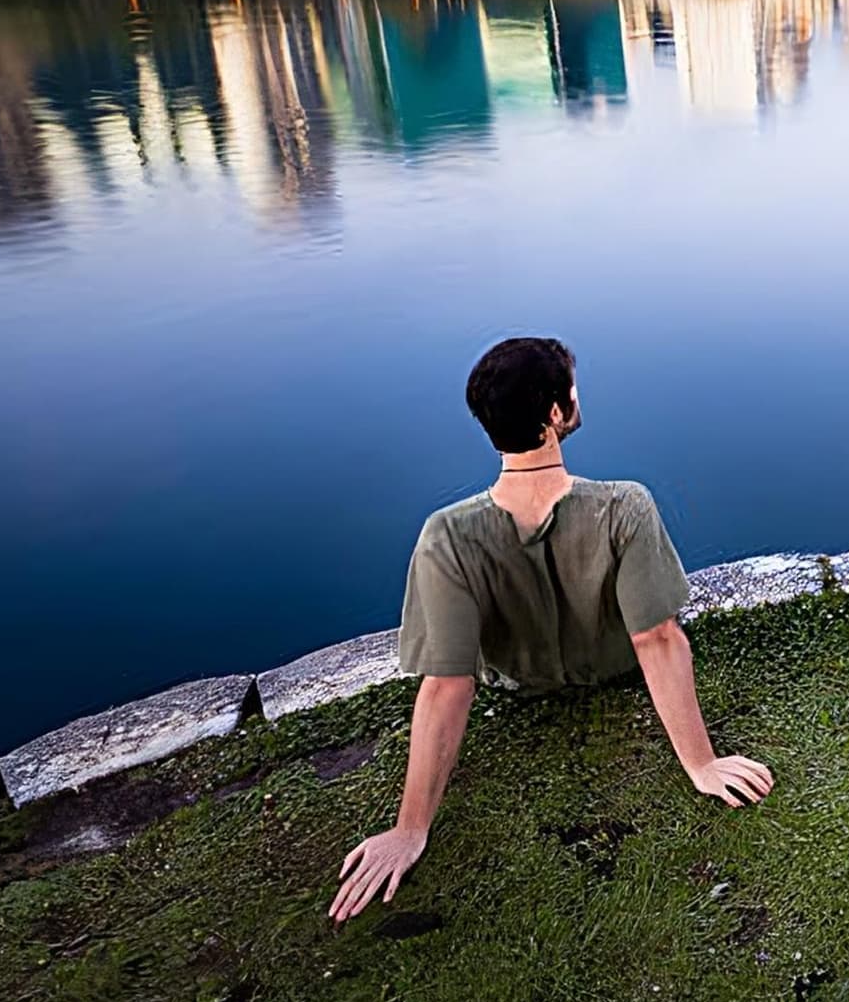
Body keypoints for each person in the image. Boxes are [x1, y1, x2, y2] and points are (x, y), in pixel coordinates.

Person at [330, 336, 773, 922]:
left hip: (514, 683)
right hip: (615, 668)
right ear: (556, 415)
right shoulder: (625, 506)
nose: (575, 395)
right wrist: (701, 764)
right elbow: (657, 638)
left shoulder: (445, 536)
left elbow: (448, 684)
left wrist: (412, 828)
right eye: (571, 388)